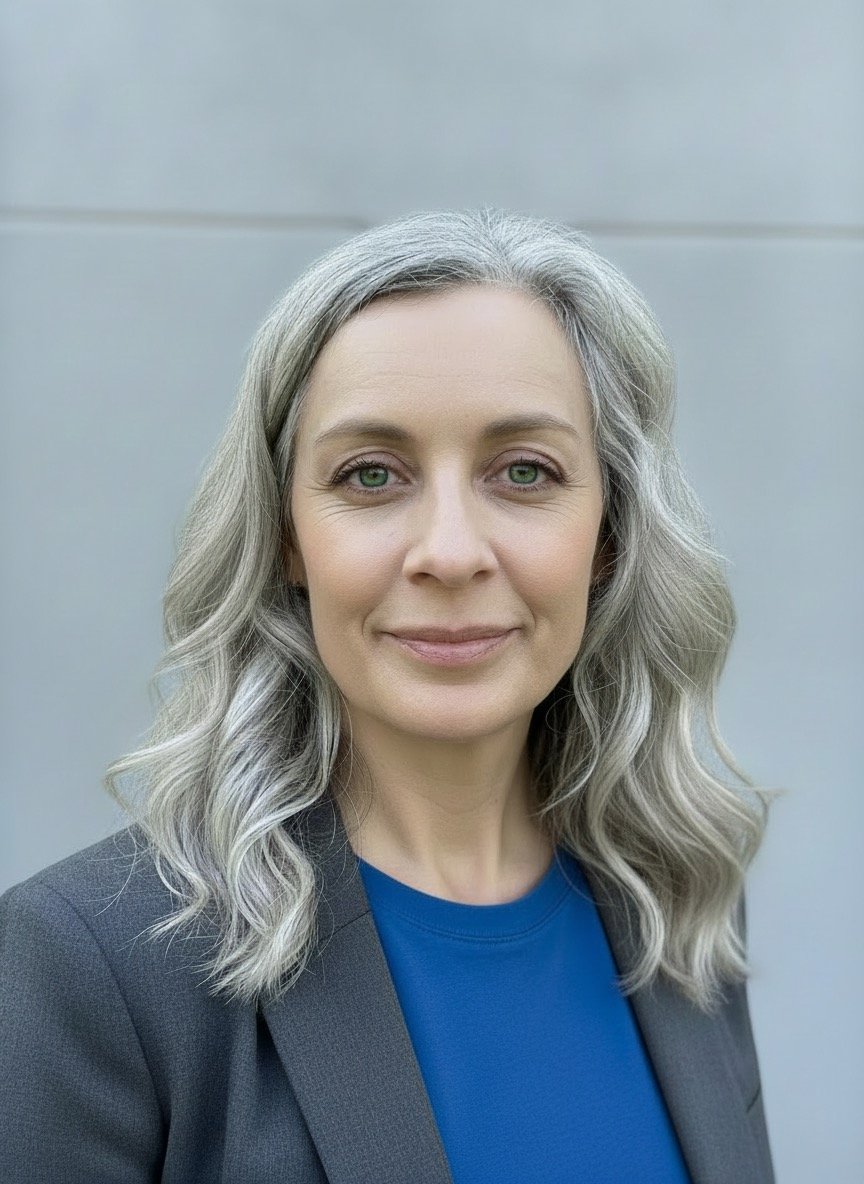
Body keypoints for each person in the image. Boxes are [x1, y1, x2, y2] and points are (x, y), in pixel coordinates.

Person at [0, 207, 781, 1183]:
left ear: (609, 531)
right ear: (287, 533)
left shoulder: (678, 904)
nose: (449, 550)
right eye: (371, 474)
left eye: (525, 471)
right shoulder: (86, 964)